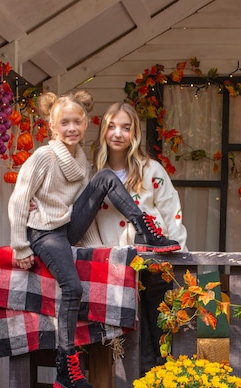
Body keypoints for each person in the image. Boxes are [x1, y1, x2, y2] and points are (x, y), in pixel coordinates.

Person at [8, 91, 181, 388]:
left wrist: (95, 252)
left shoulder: (84, 163)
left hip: (86, 238)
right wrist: (20, 245)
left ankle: (147, 231)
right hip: (47, 233)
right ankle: (66, 366)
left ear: (87, 123)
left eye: (77, 121)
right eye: (65, 122)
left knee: (104, 178)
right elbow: (19, 201)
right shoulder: (45, 157)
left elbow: (79, 211)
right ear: (52, 125)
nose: (72, 127)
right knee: (75, 291)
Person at [81, 101, 188, 372]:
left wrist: (180, 255)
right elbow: (80, 211)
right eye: (112, 126)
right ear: (104, 130)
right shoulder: (91, 173)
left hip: (155, 262)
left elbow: (171, 209)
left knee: (161, 330)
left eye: (125, 128)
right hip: (117, 266)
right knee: (132, 339)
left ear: (134, 133)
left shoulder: (151, 170)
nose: (118, 133)